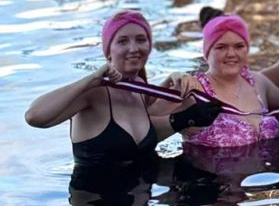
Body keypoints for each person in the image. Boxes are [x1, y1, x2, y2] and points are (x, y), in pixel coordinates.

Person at [25, 10, 219, 162]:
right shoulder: (93, 92)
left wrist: (173, 82)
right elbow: (35, 117)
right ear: (108, 51)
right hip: (95, 199)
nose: (133, 49)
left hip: (143, 196)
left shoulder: (139, 88)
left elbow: (154, 111)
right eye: (122, 41)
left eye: (141, 40)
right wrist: (89, 80)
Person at [168, 14, 279, 151]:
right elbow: (152, 120)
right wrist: (169, 81)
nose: (231, 54)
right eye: (221, 47)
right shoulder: (193, 89)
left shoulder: (256, 81)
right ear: (207, 53)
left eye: (239, 46)